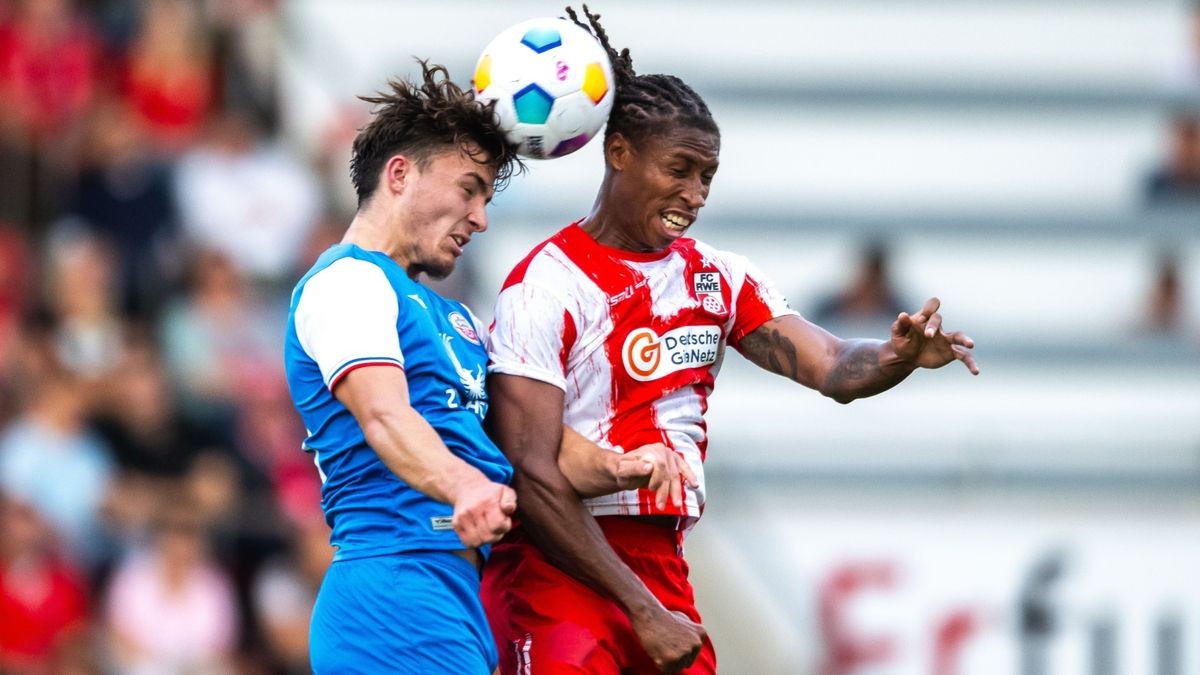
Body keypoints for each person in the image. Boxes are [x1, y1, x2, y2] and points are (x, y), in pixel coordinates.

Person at [480, 6, 980, 674]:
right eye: (679, 169)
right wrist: (639, 606)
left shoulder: (717, 279)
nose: (695, 193)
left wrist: (897, 357)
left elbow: (833, 365)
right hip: (560, 564)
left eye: (707, 175)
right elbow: (531, 472)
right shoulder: (544, 286)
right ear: (618, 150)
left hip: (661, 563)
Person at [283, 61, 691, 675]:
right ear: (399, 175)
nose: (481, 217)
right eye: (469, 188)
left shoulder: (458, 323)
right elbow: (384, 413)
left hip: (455, 597)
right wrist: (466, 486)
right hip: (392, 590)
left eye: (487, 197)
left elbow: (530, 446)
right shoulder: (347, 283)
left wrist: (622, 465)